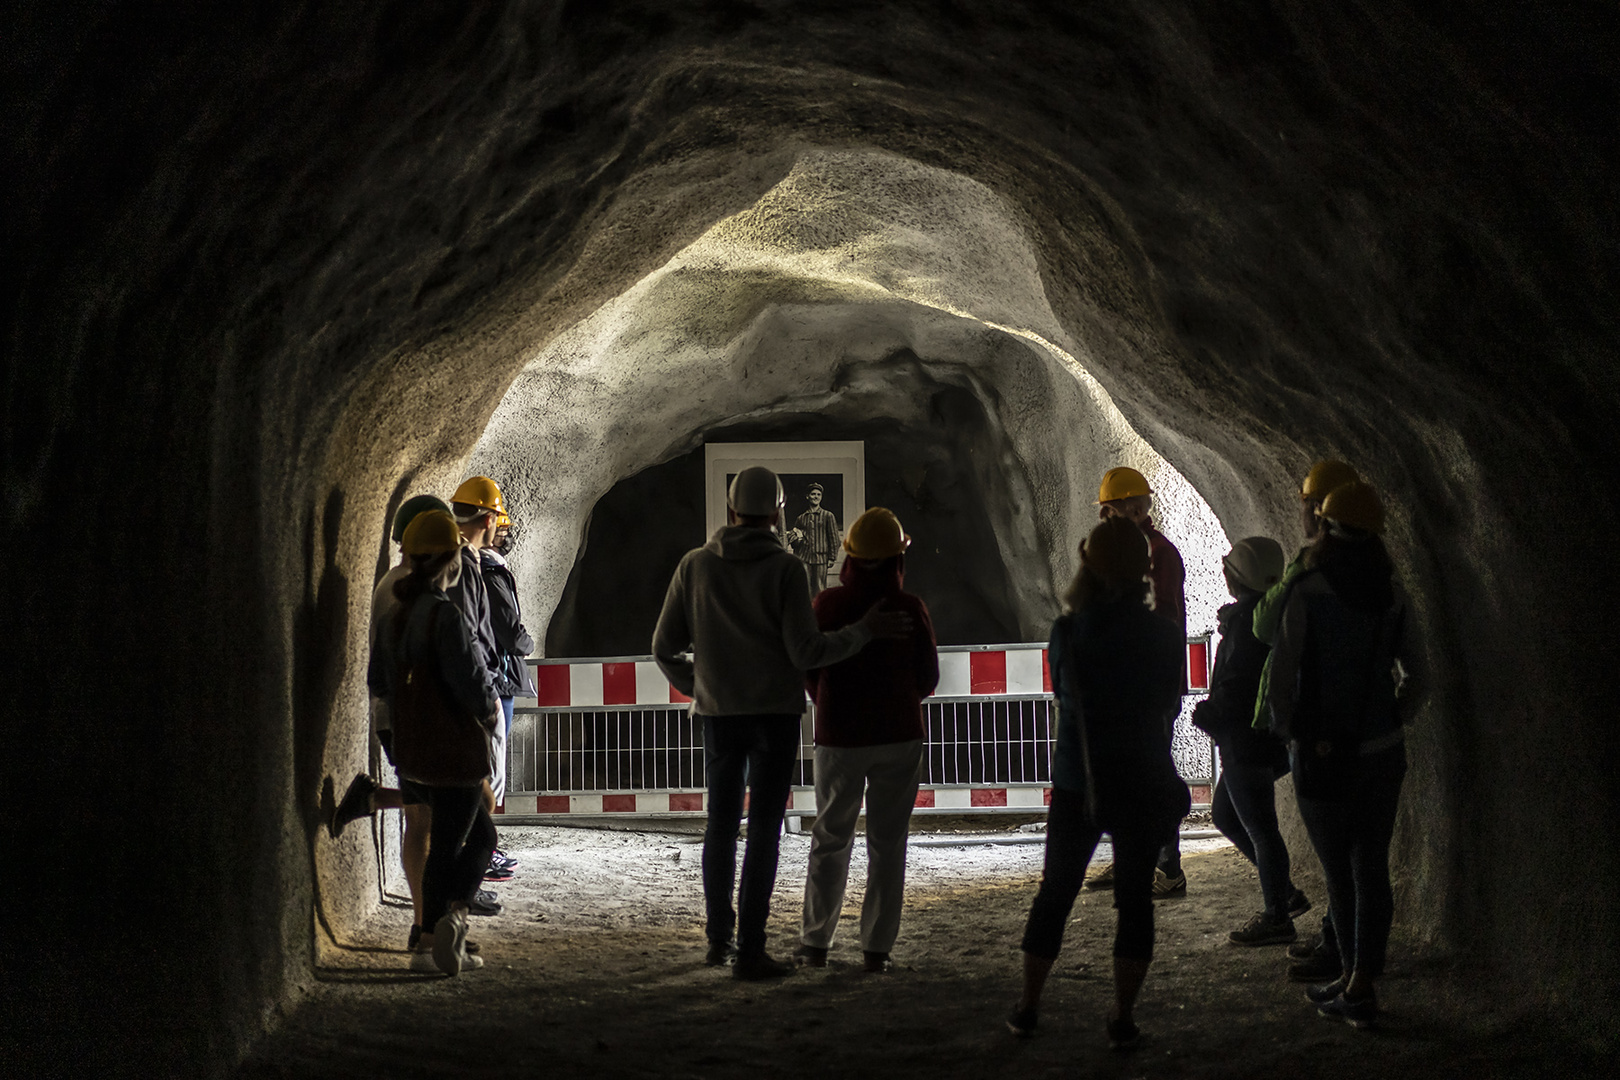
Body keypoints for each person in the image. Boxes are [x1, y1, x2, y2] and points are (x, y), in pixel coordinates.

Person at [652, 466, 910, 980]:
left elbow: (664, 648)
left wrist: (701, 683)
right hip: (774, 716)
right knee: (765, 830)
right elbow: (806, 650)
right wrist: (863, 632)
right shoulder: (787, 570)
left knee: (720, 827)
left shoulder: (694, 566)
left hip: (720, 716)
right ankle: (751, 949)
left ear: (730, 511)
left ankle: (717, 941)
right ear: (778, 512)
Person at [1008, 517, 1188, 1048]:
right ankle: (1122, 1015)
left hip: (1078, 780)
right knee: (1135, 900)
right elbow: (1168, 702)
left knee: (1056, 893)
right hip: (1143, 775)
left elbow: (1065, 692)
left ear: (1088, 565)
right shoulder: (1161, 632)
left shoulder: (1068, 631)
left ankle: (1028, 1005)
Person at [1265, 482, 1423, 1028]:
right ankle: (1359, 980)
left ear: (1326, 527)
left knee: (1340, 874)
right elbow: (1420, 677)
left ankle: (1355, 983)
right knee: (1371, 866)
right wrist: (1391, 717)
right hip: (1381, 752)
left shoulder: (1308, 590)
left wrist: (1289, 732)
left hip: (1323, 753)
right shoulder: (1393, 594)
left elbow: (1282, 673)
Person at [796, 508, 939, 974]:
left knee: (830, 837)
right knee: (888, 842)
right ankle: (876, 949)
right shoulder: (910, 608)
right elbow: (928, 677)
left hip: (839, 738)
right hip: (899, 736)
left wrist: (830, 705)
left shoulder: (828, 605)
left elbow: (810, 670)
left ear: (850, 556)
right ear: (899, 557)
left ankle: (816, 942)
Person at [331, 494, 465, 968]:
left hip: (401, 719)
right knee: (427, 818)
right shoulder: (406, 591)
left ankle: (428, 926)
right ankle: (427, 928)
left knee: (423, 807)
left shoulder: (396, 584)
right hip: (410, 721)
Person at [367, 509, 501, 976]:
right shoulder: (445, 615)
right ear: (451, 560)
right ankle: (442, 931)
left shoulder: (396, 614)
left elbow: (378, 682)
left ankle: (436, 934)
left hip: (411, 750)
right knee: (474, 838)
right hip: (454, 752)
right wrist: (489, 716)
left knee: (441, 839)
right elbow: (474, 686)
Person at [1252, 459, 1359, 980]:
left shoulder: (1312, 575)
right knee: (1362, 859)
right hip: (1369, 733)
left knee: (1338, 859)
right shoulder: (1382, 577)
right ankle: (1344, 946)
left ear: (1317, 509)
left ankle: (1344, 958)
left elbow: (1269, 627)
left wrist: (1287, 724)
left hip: (1318, 732)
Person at [1191, 536, 1311, 946]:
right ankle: (1285, 895)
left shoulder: (1245, 627)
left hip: (1245, 742)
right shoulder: (1266, 616)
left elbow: (1236, 687)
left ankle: (1278, 915)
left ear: (1237, 577)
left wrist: (1209, 716)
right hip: (1263, 742)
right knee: (1226, 814)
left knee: (1262, 830)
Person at [1086, 466, 1189, 898]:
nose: (1105, 517)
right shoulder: (1125, 550)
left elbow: (1164, 616)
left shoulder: (1158, 553)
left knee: (1153, 774)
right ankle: (1134, 858)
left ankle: (1168, 868)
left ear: (1134, 507)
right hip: (1135, 684)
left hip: (1151, 684)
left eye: (1111, 510)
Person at [447, 476, 510, 915]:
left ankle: (453, 895)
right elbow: (472, 638)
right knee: (479, 797)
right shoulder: (466, 565)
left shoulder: (455, 562)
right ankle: (457, 898)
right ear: (488, 518)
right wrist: (486, 700)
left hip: (461, 692)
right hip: (474, 692)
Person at [481, 510, 532, 881]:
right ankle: (484, 850)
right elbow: (513, 636)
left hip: (497, 680)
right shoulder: (489, 572)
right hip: (499, 682)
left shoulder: (480, 569)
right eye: (501, 526)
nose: (505, 533)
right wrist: (526, 642)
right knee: (489, 774)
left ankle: (485, 847)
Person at [788, 482, 842, 595]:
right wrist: (797, 539)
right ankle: (807, 611)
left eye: (818, 494)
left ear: (821, 497)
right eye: (813, 494)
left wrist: (832, 557)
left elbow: (834, 538)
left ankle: (819, 612)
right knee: (804, 588)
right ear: (807, 496)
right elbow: (793, 538)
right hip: (804, 558)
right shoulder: (801, 518)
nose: (816, 497)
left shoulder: (828, 516)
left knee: (819, 589)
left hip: (821, 559)